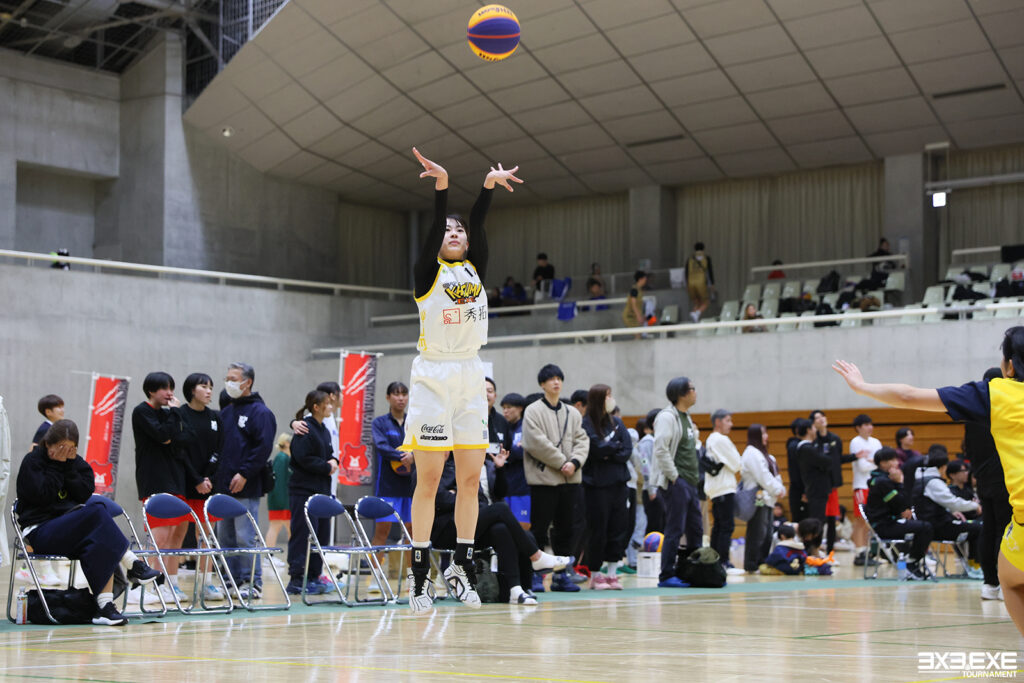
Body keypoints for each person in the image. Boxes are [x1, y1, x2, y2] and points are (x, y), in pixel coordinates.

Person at [403, 147, 522, 614]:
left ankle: (461, 565)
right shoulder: (426, 274)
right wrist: (442, 185)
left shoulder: (475, 268)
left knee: (472, 478)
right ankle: (419, 577)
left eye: (460, 231)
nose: (454, 233)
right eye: (448, 230)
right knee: (430, 479)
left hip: (471, 373)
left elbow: (480, 223)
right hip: (434, 374)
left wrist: (488, 187)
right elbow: (438, 223)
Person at [16, 420, 162, 626]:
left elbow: (84, 493)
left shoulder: (75, 463)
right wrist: (57, 465)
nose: (63, 452)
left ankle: (105, 608)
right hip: (40, 532)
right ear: (47, 443)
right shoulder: (33, 462)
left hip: (71, 531)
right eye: (59, 447)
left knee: (99, 541)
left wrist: (66, 466)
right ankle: (133, 563)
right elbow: (43, 497)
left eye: (69, 448)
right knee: (97, 512)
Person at [426, 453, 573, 605]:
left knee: (502, 530)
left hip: (471, 525)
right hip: (446, 530)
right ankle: (537, 557)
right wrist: (462, 496)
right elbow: (440, 498)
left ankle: (515, 590)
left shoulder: (470, 466)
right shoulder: (431, 468)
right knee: (501, 509)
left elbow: (480, 497)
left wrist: (498, 471)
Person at [522, 363, 590, 592]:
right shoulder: (533, 411)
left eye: (559, 378)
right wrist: (562, 462)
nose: (556, 382)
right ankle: (535, 575)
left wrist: (575, 463)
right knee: (539, 530)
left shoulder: (572, 412)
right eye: (551, 379)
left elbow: (582, 440)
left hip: (570, 481)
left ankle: (562, 576)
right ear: (542, 384)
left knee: (566, 530)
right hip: (544, 481)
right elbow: (535, 443)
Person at [131, 371, 195, 605]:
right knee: (158, 538)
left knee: (172, 538)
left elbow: (185, 437)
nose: (170, 393)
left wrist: (173, 427)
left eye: (171, 388)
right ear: (151, 391)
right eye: (164, 388)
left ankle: (164, 584)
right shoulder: (142, 411)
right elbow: (164, 436)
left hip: (174, 478)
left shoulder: (168, 414)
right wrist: (175, 416)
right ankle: (142, 585)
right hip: (154, 480)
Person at [215, 361, 276, 600]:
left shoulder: (260, 412)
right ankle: (230, 581)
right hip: (223, 487)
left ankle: (252, 582)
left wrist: (244, 473)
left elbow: (262, 448)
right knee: (225, 538)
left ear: (247, 382)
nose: (228, 383)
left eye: (233, 379)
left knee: (245, 536)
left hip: (245, 485)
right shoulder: (226, 412)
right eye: (227, 378)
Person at [963, 367, 1011, 601]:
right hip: (1004, 477)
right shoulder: (1004, 409)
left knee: (988, 528)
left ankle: (990, 584)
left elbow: (968, 450)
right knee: (1004, 529)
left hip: (982, 479)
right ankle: (1004, 584)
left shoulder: (972, 416)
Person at [285, 390, 338, 596]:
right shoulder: (305, 428)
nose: (331, 407)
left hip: (321, 492)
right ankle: (296, 579)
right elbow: (302, 458)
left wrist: (334, 461)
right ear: (316, 407)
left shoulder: (323, 429)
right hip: (303, 491)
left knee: (321, 535)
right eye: (327, 403)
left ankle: (315, 575)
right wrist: (326, 466)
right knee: (303, 534)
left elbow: (330, 454)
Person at [651, 377, 702, 588]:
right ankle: (666, 575)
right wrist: (674, 477)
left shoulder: (686, 417)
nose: (695, 392)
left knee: (696, 530)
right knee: (675, 529)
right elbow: (660, 449)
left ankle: (694, 571)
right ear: (682, 394)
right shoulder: (667, 417)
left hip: (691, 482)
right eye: (692, 389)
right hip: (676, 482)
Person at [580, 384, 632, 590]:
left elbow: (626, 450)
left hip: (619, 484)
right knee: (598, 530)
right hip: (597, 486)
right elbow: (596, 448)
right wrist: (611, 449)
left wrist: (610, 452)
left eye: (611, 395)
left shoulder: (617, 423)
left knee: (618, 528)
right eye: (607, 395)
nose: (610, 399)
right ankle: (595, 574)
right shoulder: (586, 424)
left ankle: (612, 573)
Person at [176, 372, 222, 601]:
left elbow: (218, 450)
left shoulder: (215, 417)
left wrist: (207, 477)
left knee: (206, 535)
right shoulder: (180, 414)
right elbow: (180, 452)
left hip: (208, 484)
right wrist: (196, 479)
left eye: (211, 387)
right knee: (178, 534)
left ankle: (206, 583)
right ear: (192, 390)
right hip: (185, 483)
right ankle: (171, 583)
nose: (209, 391)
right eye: (204, 386)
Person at [861, 447, 933, 580]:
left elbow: (898, 504)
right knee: (925, 527)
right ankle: (912, 562)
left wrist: (903, 509)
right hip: (884, 526)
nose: (897, 463)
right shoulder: (882, 482)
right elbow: (900, 502)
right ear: (883, 463)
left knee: (921, 526)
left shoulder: (882, 479)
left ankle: (911, 560)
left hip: (889, 522)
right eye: (893, 460)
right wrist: (900, 483)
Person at [911, 448, 982, 577]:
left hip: (930, 524)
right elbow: (952, 502)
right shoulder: (934, 482)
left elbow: (940, 502)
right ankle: (975, 567)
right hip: (939, 526)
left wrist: (952, 511)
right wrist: (974, 505)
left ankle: (972, 565)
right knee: (978, 528)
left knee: (974, 527)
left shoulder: (921, 479)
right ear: (943, 467)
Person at [370, 381, 413, 553]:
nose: (401, 398)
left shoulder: (414, 423)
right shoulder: (379, 423)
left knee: (412, 534)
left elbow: (421, 447)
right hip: (387, 487)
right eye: (396, 394)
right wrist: (405, 457)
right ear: (388, 397)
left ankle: (411, 570)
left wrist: (414, 457)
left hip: (411, 487)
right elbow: (382, 447)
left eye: (404, 394)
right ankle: (375, 570)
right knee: (382, 532)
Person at [741, 423, 786, 573]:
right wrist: (777, 489)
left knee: (767, 533)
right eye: (763, 433)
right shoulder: (751, 453)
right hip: (758, 498)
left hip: (769, 499)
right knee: (757, 531)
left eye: (766, 433)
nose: (766, 436)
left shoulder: (766, 455)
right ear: (755, 435)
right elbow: (763, 476)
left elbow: (774, 475)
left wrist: (780, 489)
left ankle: (762, 561)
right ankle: (751, 564)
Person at [703, 409, 742, 573]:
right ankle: (724, 562)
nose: (731, 424)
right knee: (726, 526)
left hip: (717, 489)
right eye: (728, 420)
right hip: (723, 489)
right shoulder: (720, 439)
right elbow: (737, 464)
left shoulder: (711, 439)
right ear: (718, 422)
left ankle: (715, 562)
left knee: (719, 526)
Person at [810, 409, 848, 556]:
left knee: (832, 519)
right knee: (818, 520)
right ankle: (815, 550)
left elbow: (838, 459)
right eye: (817, 418)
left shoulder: (835, 439)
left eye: (822, 416)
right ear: (813, 423)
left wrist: (854, 456)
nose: (821, 419)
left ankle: (830, 552)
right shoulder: (813, 441)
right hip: (818, 486)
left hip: (832, 486)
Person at [849, 414, 882, 566]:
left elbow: (882, 464)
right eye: (866, 424)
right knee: (861, 520)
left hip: (874, 486)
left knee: (871, 521)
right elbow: (862, 467)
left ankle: (868, 551)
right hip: (861, 486)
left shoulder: (876, 442)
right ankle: (859, 552)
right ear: (858, 427)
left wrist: (873, 461)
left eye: (871, 424)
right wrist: (876, 462)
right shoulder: (856, 442)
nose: (870, 427)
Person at [499, 392, 531, 531]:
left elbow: (520, 451)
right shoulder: (502, 427)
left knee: (522, 526)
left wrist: (509, 451)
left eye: (509, 407)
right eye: (503, 408)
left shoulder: (526, 426)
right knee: (505, 526)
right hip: (504, 485)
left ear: (520, 408)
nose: (505, 411)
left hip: (522, 485)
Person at [795, 418, 830, 527]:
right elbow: (826, 461)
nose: (816, 430)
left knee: (818, 520)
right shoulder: (807, 448)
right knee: (817, 521)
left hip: (814, 488)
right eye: (814, 427)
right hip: (816, 489)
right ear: (808, 430)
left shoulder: (807, 447)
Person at [266, 434, 292, 565]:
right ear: (286, 443)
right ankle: (269, 556)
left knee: (282, 527)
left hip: (281, 500)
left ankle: (271, 556)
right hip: (281, 500)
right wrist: (283, 503)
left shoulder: (284, 457)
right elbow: (279, 482)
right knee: (278, 526)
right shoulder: (282, 458)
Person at [685, 242, 714, 322]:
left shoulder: (690, 259)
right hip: (700, 283)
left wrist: (687, 285)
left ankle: (694, 317)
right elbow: (710, 272)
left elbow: (686, 273)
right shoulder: (706, 258)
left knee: (697, 302)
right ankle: (697, 313)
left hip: (690, 283)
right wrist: (712, 284)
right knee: (706, 301)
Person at [785, 419, 806, 523]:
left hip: (803, 488)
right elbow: (797, 471)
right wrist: (804, 491)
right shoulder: (795, 446)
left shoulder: (804, 444)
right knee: (800, 521)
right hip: (800, 490)